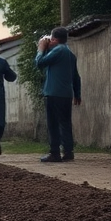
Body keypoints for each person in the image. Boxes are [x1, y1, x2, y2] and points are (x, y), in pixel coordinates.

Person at [35, 26, 82, 163]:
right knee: (65, 123)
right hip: (66, 94)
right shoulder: (69, 53)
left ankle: (54, 153)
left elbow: (39, 63)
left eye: (51, 39)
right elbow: (76, 76)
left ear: (54, 39)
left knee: (53, 124)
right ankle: (68, 152)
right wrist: (77, 93)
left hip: (53, 92)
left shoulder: (58, 50)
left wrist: (40, 49)